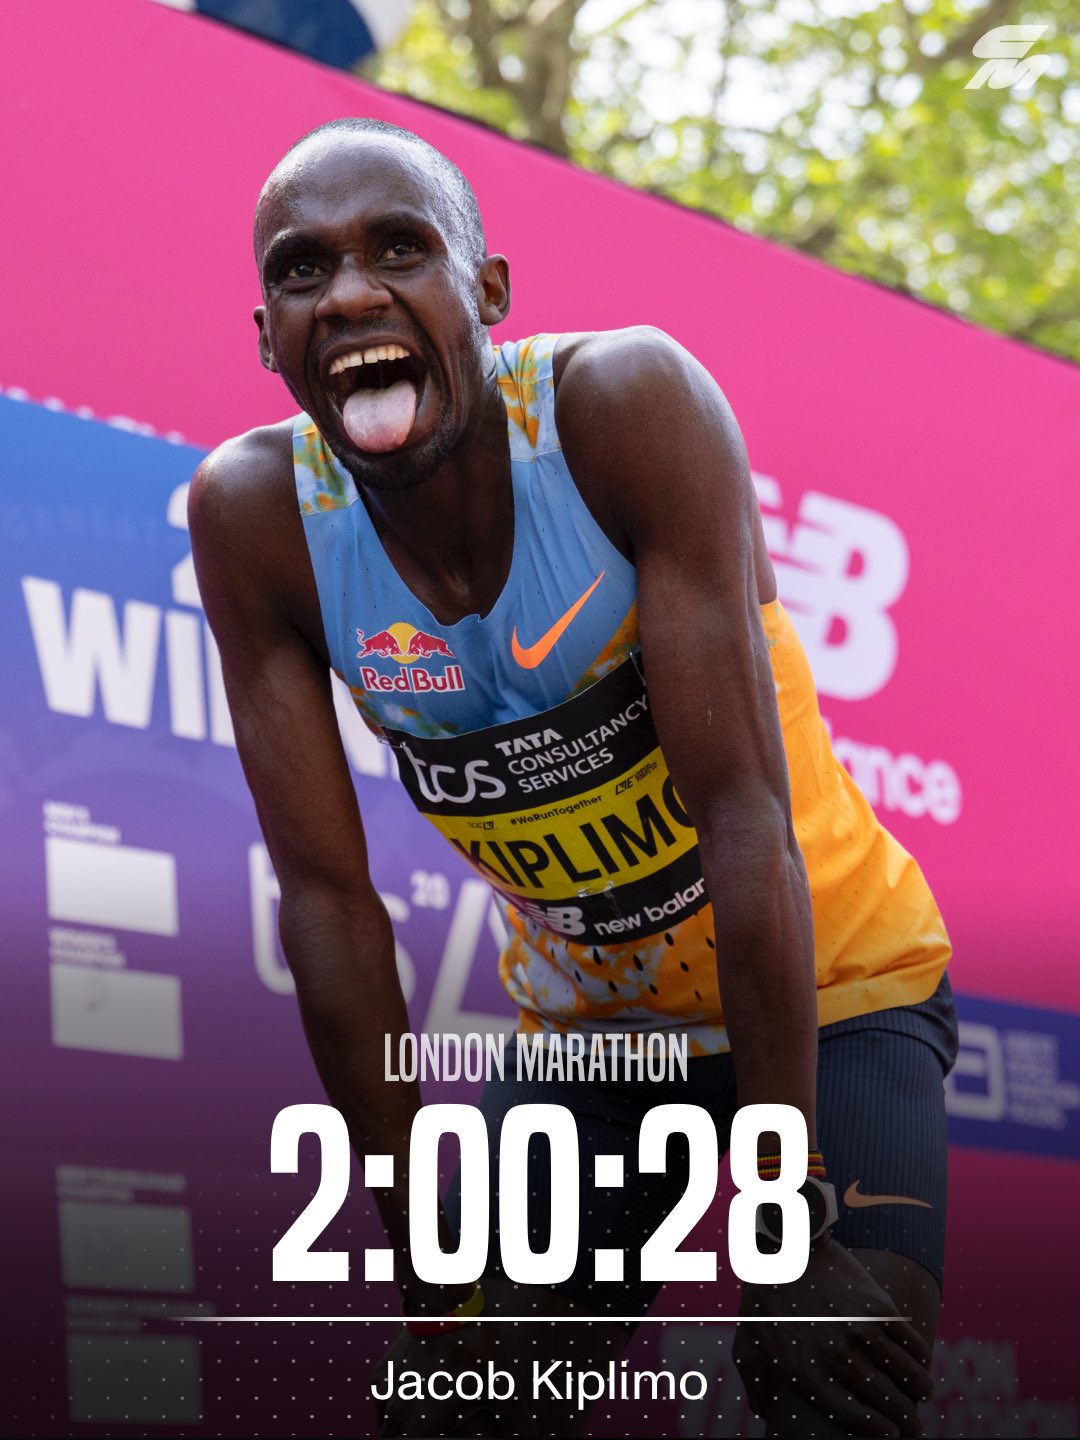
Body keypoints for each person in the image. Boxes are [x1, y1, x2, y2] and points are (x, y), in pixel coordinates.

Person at [189, 116, 957, 1439]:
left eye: (400, 249)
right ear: (267, 339)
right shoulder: (257, 516)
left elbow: (741, 824)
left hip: (832, 983)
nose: (354, 293)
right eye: (304, 271)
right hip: (599, 1040)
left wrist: (777, 1228)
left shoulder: (623, 407)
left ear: (486, 293)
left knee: (831, 1371)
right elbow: (327, 901)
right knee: (464, 1398)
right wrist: (420, 1231)